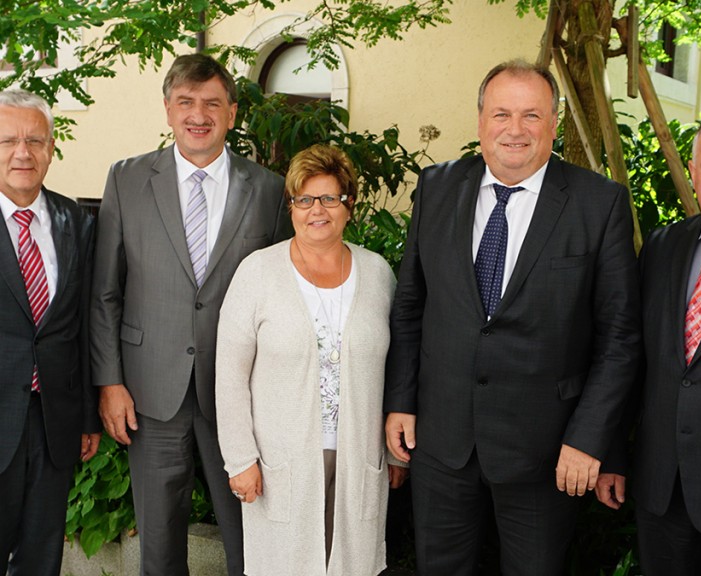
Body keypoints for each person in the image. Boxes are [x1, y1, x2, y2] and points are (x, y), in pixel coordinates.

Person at [384, 59, 641, 575]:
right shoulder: (435, 188)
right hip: (442, 439)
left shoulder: (599, 203)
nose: (515, 130)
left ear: (554, 122)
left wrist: (588, 439)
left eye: (531, 115)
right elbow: (410, 306)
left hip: (546, 451)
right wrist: (401, 401)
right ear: (480, 121)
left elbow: (619, 338)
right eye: (502, 114)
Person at [90, 54, 291, 575]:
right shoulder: (127, 179)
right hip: (149, 390)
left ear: (232, 112)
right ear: (167, 109)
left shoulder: (269, 190)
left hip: (240, 395)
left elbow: (283, 297)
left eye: (211, 103)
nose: (197, 114)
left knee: (253, 536)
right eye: (185, 102)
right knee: (158, 543)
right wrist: (109, 381)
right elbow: (106, 292)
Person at [216, 144, 408, 576]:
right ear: (291, 207)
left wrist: (395, 455)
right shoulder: (257, 272)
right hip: (279, 461)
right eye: (304, 199)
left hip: (359, 455)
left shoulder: (378, 274)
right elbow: (229, 374)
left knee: (352, 564)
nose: (316, 210)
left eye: (329, 198)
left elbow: (399, 366)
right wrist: (240, 458)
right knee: (284, 564)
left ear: (349, 205)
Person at [596, 110, 701, 575]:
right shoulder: (663, 246)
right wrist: (613, 454)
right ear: (693, 174)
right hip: (663, 489)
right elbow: (633, 359)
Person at [0, 89, 101, 575]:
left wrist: (86, 414)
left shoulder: (75, 221)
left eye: (35, 140)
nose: (23, 152)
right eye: (8, 141)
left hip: (54, 424)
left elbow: (81, 325)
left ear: (51, 148)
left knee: (41, 559)